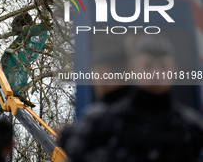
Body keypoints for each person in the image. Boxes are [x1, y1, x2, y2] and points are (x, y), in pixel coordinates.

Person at [65, 36, 203, 162]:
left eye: (163, 67)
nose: (156, 73)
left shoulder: (191, 127)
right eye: (148, 66)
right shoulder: (104, 122)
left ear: (174, 70)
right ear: (133, 69)